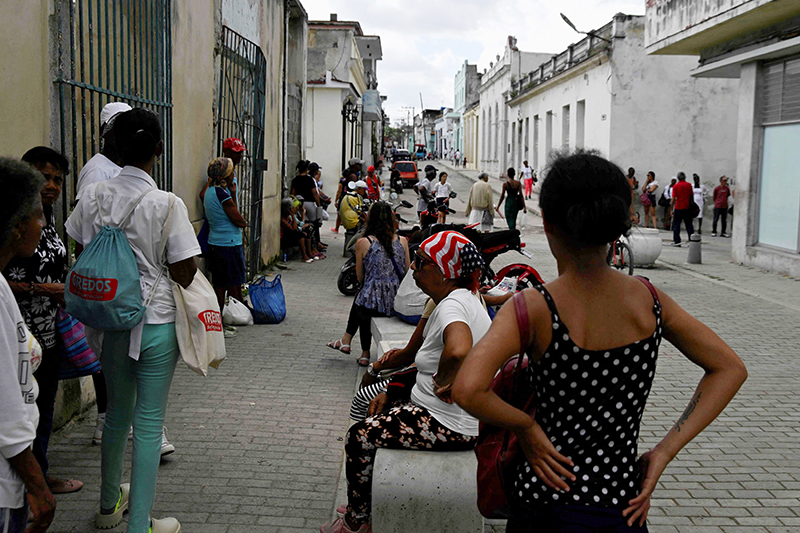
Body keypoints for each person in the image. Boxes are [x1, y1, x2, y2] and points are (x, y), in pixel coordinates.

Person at [452, 149, 747, 533]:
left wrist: (526, 427)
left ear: (550, 226)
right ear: (618, 227)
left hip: (545, 504)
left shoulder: (533, 308)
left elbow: (468, 389)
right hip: (622, 507)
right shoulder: (650, 301)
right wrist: (662, 453)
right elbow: (730, 369)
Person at [66, 108, 200, 533]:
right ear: (158, 149)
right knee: (147, 424)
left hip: (109, 322)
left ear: (115, 147)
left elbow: (80, 246)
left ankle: (108, 508)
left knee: (115, 416)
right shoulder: (167, 203)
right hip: (156, 321)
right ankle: (139, 524)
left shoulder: (93, 195)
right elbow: (184, 271)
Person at [322, 230, 491, 533]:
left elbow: (459, 348)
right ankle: (366, 501)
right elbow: (416, 354)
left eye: (423, 263)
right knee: (374, 413)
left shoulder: (452, 305)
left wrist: (445, 377)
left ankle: (356, 522)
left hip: (447, 424)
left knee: (359, 437)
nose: (414, 268)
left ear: (446, 272)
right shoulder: (457, 299)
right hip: (445, 416)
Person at [3, 147, 86, 495]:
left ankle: (40, 473)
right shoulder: (12, 223)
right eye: (43, 176)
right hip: (14, 333)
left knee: (41, 410)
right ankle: (28, 483)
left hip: (46, 334)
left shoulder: (49, 220)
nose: (50, 185)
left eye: (57, 178)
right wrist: (41, 288)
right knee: (16, 410)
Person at [0, 157, 56, 533]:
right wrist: (39, 487)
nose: (43, 224)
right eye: (37, 216)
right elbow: (6, 410)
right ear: (18, 228)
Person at [327, 202, 410, 364]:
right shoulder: (403, 241)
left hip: (373, 304)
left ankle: (362, 351)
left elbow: (359, 277)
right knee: (365, 299)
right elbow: (406, 272)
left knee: (364, 298)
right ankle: (348, 342)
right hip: (396, 300)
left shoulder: (363, 242)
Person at [203, 157, 248, 312]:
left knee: (220, 283)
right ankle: (222, 317)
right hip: (228, 243)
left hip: (216, 242)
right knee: (225, 284)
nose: (233, 174)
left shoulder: (210, 191)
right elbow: (238, 219)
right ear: (225, 176)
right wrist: (244, 222)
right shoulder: (222, 195)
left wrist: (233, 192)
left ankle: (226, 314)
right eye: (231, 172)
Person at [75, 101, 132, 200]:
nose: (124, 133)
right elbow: (85, 210)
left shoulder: (124, 165)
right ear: (104, 132)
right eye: (117, 128)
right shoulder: (97, 171)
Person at [280, 198, 315, 263]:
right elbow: (294, 228)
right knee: (299, 235)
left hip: (290, 234)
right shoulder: (283, 219)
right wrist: (292, 215)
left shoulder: (288, 217)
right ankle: (304, 256)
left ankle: (309, 253)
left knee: (306, 232)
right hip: (284, 239)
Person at [670, 172, 694, 246]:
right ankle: (692, 240)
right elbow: (691, 196)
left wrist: (671, 209)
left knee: (677, 224)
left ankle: (677, 241)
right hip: (687, 207)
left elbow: (673, 198)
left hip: (678, 207)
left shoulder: (676, 186)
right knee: (689, 224)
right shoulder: (689, 185)